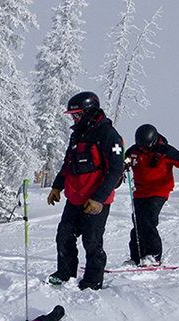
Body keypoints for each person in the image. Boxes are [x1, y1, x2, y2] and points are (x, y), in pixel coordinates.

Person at [47, 91, 124, 290]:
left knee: (92, 242)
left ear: (90, 112)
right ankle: (65, 273)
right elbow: (68, 163)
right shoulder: (77, 135)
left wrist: (99, 198)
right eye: (73, 115)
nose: (74, 119)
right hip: (75, 198)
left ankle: (92, 281)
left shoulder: (108, 135)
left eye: (77, 115)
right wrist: (57, 185)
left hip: (96, 201)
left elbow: (116, 169)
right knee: (64, 236)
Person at [124, 124, 179, 265]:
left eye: (147, 148)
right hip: (140, 192)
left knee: (148, 220)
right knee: (138, 224)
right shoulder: (134, 151)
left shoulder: (166, 151)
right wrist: (124, 165)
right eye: (141, 147)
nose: (143, 150)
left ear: (154, 142)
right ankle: (137, 257)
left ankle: (153, 255)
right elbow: (126, 161)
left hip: (159, 190)